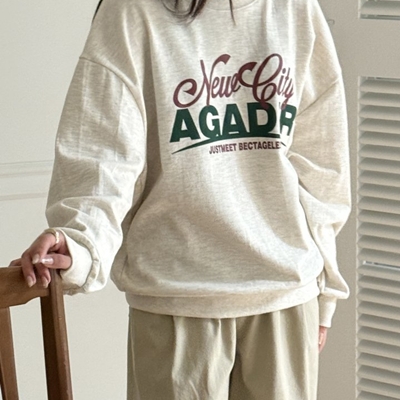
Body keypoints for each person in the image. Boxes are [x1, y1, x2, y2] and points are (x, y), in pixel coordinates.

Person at [10, 0, 351, 398]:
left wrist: (326, 291)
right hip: (176, 299)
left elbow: (322, 165)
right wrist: (79, 241)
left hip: (286, 296)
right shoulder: (133, 12)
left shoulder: (294, 9)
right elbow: (102, 153)